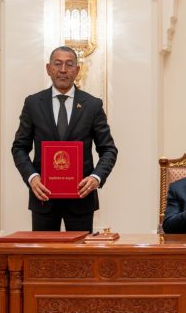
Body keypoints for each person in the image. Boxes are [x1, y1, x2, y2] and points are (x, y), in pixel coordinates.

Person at [11, 46, 118, 231]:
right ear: (48, 68)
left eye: (69, 65)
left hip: (81, 198)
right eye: (57, 64)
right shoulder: (33, 103)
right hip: (43, 197)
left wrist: (95, 177)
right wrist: (32, 178)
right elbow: (19, 147)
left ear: (77, 70)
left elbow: (108, 149)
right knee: (43, 259)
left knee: (80, 259)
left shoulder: (92, 105)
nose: (63, 70)